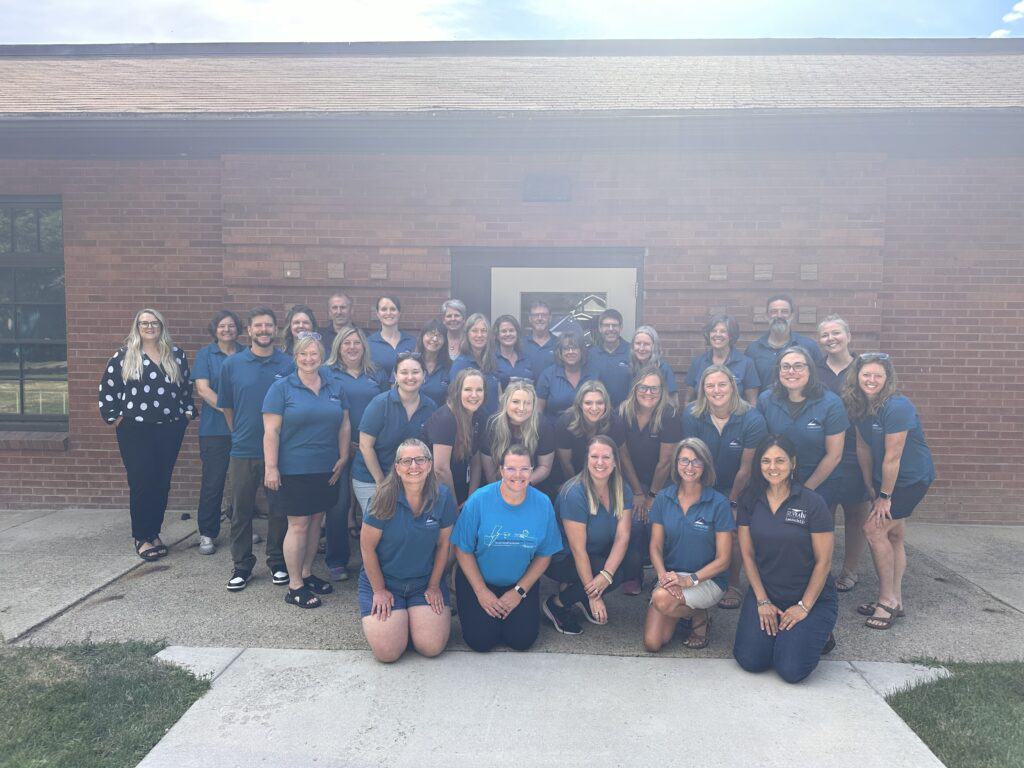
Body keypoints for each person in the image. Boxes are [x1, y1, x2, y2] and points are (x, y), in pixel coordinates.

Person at [733, 435, 838, 683]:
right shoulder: (749, 499)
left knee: (791, 670)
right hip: (767, 594)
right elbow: (747, 554)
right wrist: (761, 600)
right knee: (751, 661)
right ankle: (785, 637)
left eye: (780, 461)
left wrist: (804, 607)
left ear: (792, 463)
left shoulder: (812, 502)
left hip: (810, 597)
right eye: (766, 461)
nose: (773, 467)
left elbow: (824, 562)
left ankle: (820, 633)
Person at [845, 353, 935, 630]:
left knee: (874, 530)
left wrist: (884, 496)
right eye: (866, 375)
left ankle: (886, 601)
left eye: (877, 376)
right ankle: (897, 600)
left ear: (887, 380)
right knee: (894, 534)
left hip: (910, 480)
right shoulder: (859, 405)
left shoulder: (897, 406)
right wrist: (870, 484)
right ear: (857, 377)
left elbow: (893, 457)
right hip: (883, 480)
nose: (871, 380)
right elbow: (862, 447)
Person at [263, 333, 351, 609]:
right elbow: (271, 430)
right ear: (295, 356)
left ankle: (306, 573)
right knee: (298, 525)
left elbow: (345, 424)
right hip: (293, 469)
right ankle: (294, 586)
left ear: (322, 355)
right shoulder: (281, 388)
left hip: (326, 468)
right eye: (303, 354)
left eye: (314, 354)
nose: (309, 359)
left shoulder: (334, 386)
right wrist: (271, 467)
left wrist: (344, 455)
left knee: (316, 521)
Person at [98, 308, 194, 561]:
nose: (149, 327)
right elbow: (108, 389)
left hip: (169, 427)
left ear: (162, 327)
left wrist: (185, 413)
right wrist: (115, 416)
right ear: (137, 327)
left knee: (162, 482)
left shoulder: (176, 355)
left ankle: (154, 532)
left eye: (154, 323)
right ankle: (141, 536)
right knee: (141, 481)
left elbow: (186, 387)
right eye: (144, 323)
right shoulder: (124, 356)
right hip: (135, 429)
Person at [451, 445, 563, 652]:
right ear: (501, 470)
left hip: (519, 583)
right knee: (481, 642)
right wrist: (482, 592)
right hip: (478, 581)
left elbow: (545, 554)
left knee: (521, 641)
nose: (518, 475)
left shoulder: (543, 503)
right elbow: (462, 549)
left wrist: (519, 592)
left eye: (524, 469)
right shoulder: (479, 500)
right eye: (511, 469)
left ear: (531, 471)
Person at [218, 307, 296, 591]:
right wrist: (239, 431)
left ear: (276, 330)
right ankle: (242, 565)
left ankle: (277, 561)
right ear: (248, 331)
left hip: (280, 451)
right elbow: (227, 406)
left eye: (269, 326)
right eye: (258, 326)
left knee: (279, 509)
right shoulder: (232, 365)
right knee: (241, 510)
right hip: (243, 449)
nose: (264, 330)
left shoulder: (288, 364)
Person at [359, 439, 455, 662]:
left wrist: (433, 586)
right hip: (386, 581)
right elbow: (367, 548)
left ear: (429, 464)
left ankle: (411, 622)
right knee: (388, 653)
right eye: (406, 461)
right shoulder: (382, 498)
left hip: (423, 582)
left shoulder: (442, 497)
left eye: (420, 459)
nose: (414, 466)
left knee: (431, 648)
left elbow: (444, 546)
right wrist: (379, 590)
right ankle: (401, 624)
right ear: (397, 467)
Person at [681, 364, 768, 609]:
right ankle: (690, 575)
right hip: (701, 482)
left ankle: (732, 583)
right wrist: (699, 494)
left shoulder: (752, 418)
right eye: (710, 385)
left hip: (739, 487)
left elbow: (747, 468)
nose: (716, 390)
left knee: (734, 529)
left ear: (733, 386)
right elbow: (692, 459)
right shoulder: (692, 414)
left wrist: (731, 502)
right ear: (702, 389)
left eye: (722, 384)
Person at [644, 438, 735, 652]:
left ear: (705, 466)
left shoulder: (719, 503)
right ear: (676, 464)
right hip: (671, 578)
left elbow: (724, 560)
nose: (690, 467)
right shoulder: (663, 499)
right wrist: (663, 576)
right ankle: (693, 611)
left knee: (661, 600)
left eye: (696, 461)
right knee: (653, 643)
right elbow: (655, 547)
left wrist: (689, 580)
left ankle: (699, 615)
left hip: (707, 579)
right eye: (684, 460)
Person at [543, 436, 632, 635]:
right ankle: (557, 604)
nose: (600, 462)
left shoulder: (621, 488)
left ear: (615, 462)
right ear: (587, 460)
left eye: (606, 457)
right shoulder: (575, 493)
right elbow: (577, 549)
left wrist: (605, 575)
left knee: (628, 562)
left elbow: (622, 536)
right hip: (562, 559)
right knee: (614, 575)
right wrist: (595, 596)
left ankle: (580, 593)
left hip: (595, 554)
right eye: (594, 456)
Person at [325, 324, 388, 580]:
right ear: (338, 346)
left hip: (371, 449)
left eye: (357, 343)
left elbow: (387, 407)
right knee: (338, 506)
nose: (352, 347)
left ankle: (374, 560)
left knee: (373, 506)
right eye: (346, 343)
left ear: (364, 346)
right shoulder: (327, 373)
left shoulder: (377, 373)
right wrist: (345, 445)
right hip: (339, 448)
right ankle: (337, 558)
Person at [617, 366, 683, 595]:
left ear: (662, 390)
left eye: (654, 388)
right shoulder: (623, 412)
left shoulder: (669, 414)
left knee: (659, 523)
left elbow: (665, 462)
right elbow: (622, 455)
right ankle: (633, 575)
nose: (648, 392)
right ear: (635, 389)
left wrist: (652, 496)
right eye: (643, 387)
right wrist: (637, 492)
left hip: (662, 481)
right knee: (634, 522)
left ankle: (664, 576)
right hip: (632, 478)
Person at [817, 315, 870, 593]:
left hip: (855, 451)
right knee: (823, 512)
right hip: (822, 452)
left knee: (855, 514)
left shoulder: (863, 369)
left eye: (836, 333)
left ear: (848, 336)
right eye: (825, 335)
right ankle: (821, 569)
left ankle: (850, 570)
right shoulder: (815, 370)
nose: (831, 339)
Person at [757, 346, 848, 508]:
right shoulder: (765, 400)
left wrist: (805, 491)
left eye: (798, 366)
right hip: (776, 480)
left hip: (820, 484)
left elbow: (834, 455)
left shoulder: (831, 403)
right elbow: (761, 447)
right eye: (785, 367)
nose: (791, 371)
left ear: (810, 370)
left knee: (815, 531)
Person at [352, 352, 438, 519]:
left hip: (409, 477)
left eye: (415, 372)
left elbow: (429, 450)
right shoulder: (380, 404)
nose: (410, 377)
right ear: (395, 376)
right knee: (379, 524)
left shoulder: (431, 407)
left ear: (424, 376)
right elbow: (365, 445)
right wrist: (381, 482)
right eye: (404, 372)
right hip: (372, 476)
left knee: (402, 526)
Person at [192, 310, 243, 555]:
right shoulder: (205, 355)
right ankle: (207, 533)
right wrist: (228, 410)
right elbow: (202, 389)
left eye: (231, 326)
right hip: (214, 430)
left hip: (244, 429)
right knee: (213, 482)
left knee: (242, 482)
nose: (227, 330)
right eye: (222, 326)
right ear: (215, 330)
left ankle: (240, 527)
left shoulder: (246, 353)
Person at [422, 368, 485, 505]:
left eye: (479, 390)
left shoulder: (477, 416)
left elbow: (476, 461)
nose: (474, 395)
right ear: (458, 392)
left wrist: (471, 500)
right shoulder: (445, 419)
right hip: (436, 494)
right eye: (468, 389)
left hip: (462, 489)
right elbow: (440, 469)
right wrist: (454, 508)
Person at [480, 380, 555, 487]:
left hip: (531, 485)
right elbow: (489, 470)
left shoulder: (543, 425)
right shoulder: (493, 425)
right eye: (515, 402)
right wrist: (503, 489)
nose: (521, 408)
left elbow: (545, 467)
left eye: (527, 403)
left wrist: (521, 484)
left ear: (533, 406)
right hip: (497, 486)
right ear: (506, 402)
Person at [745, 294, 824, 393]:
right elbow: (750, 387)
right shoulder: (753, 350)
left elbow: (819, 380)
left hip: (802, 407)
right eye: (774, 312)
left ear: (792, 315)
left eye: (784, 311)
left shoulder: (809, 347)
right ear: (766, 316)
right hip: (765, 407)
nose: (779, 315)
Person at [554, 380, 626, 479]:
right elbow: (566, 464)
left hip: (606, 475)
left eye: (599, 403)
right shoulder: (565, 423)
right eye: (588, 403)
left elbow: (620, 459)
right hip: (574, 476)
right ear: (580, 404)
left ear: (606, 404)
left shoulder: (615, 423)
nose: (594, 408)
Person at [684, 314, 760, 405]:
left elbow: (752, 402)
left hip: (737, 418)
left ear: (731, 335)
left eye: (723, 331)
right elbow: (688, 401)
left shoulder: (746, 364)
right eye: (713, 331)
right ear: (708, 335)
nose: (718, 335)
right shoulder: (698, 363)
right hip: (702, 417)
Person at [448, 313, 501, 417]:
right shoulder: (460, 364)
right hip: (471, 426)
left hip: (493, 425)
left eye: (483, 331)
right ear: (467, 334)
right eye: (475, 331)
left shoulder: (493, 361)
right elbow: (454, 401)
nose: (479, 335)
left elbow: (499, 394)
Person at [535, 332, 594, 418]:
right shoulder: (548, 375)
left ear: (581, 351)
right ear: (560, 352)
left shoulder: (593, 374)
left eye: (574, 348)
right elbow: (538, 410)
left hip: (586, 430)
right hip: (553, 429)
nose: (570, 352)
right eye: (566, 349)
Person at [589, 309, 631, 406]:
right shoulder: (590, 354)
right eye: (606, 325)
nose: (611, 329)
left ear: (621, 328)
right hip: (597, 412)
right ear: (600, 328)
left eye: (614, 325)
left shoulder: (632, 352)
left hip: (625, 413)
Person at [366, 295, 416, 377]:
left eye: (393, 309)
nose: (388, 313)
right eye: (384, 309)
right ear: (377, 314)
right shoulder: (368, 343)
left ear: (399, 313)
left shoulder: (412, 342)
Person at [416, 320, 452, 408]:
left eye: (439, 336)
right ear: (422, 337)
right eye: (430, 334)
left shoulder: (450, 366)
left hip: (439, 419)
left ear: (444, 341)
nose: (435, 339)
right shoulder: (409, 362)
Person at [493, 314, 533, 386]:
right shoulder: (491, 359)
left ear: (517, 334)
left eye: (511, 330)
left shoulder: (526, 359)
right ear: (497, 336)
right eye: (504, 331)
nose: (508, 334)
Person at [523, 300, 557, 378]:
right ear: (530, 319)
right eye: (536, 315)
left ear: (550, 318)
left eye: (544, 315)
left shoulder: (559, 344)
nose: (540, 318)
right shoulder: (520, 344)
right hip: (526, 389)